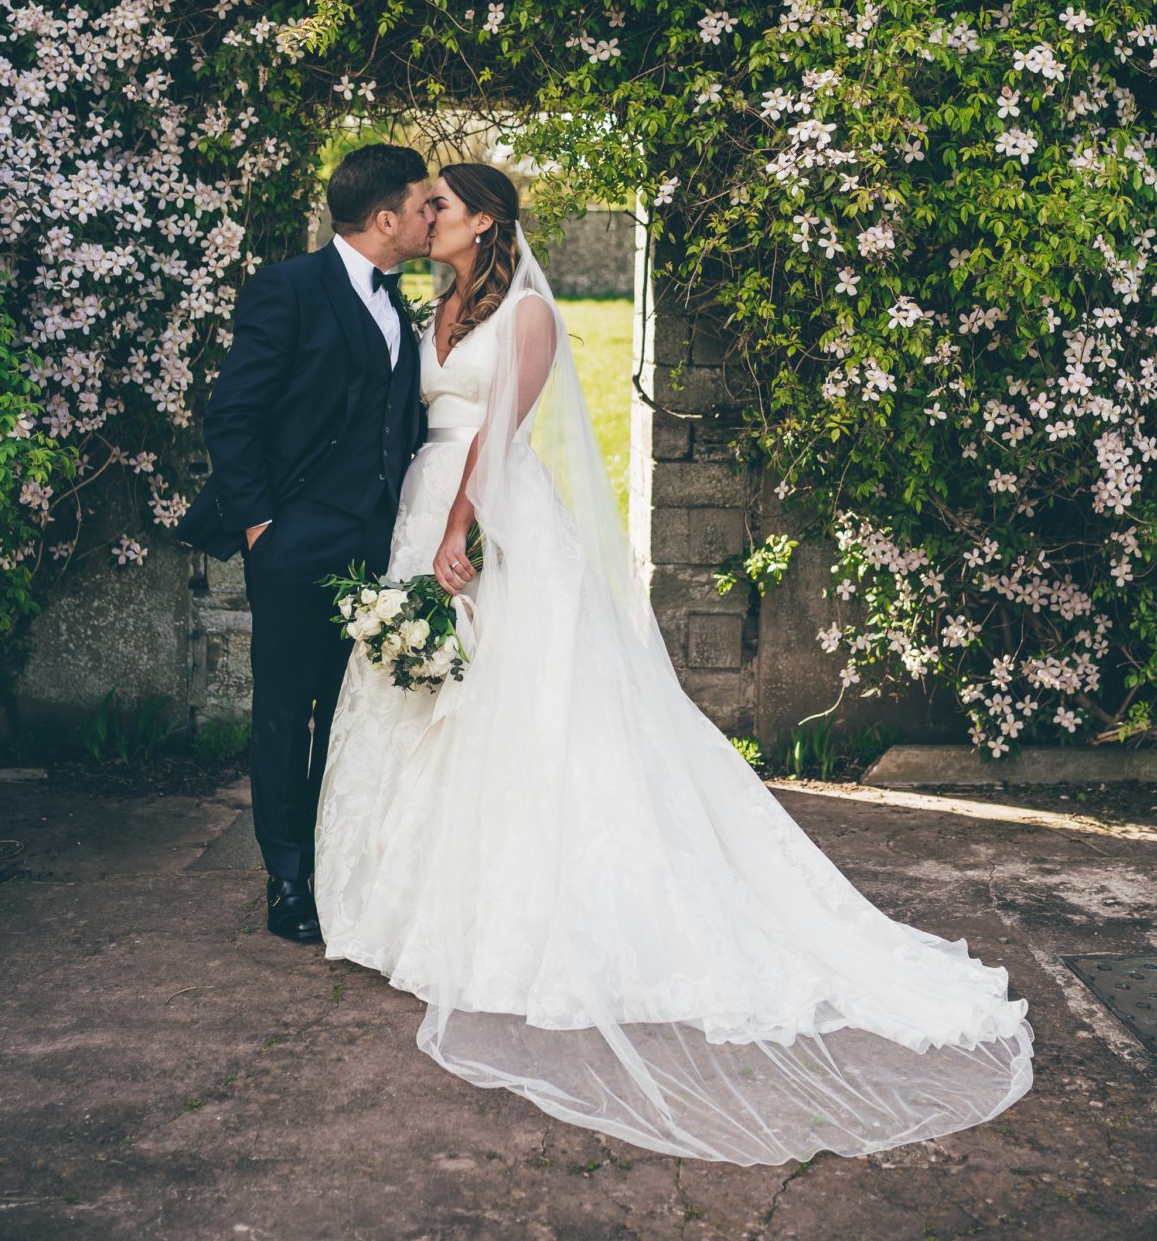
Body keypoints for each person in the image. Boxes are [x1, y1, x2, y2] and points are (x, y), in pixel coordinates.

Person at [313, 160, 1034, 1167]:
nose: (422, 217)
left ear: (483, 221)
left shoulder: (527, 316)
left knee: (522, 715)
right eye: (421, 204)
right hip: (417, 514)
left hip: (483, 523)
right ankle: (394, 900)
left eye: (440, 206)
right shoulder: (431, 308)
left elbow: (500, 440)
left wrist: (464, 535)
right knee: (420, 703)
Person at [175, 144, 433, 942]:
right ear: (385, 218)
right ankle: (286, 880)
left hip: (381, 544)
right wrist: (261, 529)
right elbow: (234, 415)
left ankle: (338, 858)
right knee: (288, 713)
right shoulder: (287, 288)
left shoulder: (400, 304)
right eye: (424, 204)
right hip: (293, 542)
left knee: (353, 709)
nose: (433, 214)